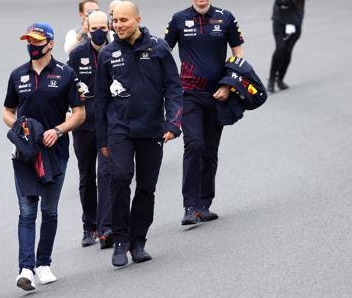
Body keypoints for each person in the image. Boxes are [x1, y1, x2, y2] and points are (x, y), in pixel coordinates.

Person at [95, 1, 183, 267]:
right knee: (120, 178)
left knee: (146, 187)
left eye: (124, 20)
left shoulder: (158, 48)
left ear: (137, 19)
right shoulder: (107, 54)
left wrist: (173, 124)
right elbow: (100, 99)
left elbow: (174, 90)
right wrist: (102, 139)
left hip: (151, 129)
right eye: (115, 20)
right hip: (119, 130)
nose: (118, 25)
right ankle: (120, 240)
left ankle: (138, 241)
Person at [3, 22, 85, 291]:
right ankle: (25, 269)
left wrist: (58, 131)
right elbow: (7, 111)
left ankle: (43, 264)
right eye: (29, 41)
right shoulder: (17, 75)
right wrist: (18, 128)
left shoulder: (66, 74)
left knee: (48, 210)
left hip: (55, 153)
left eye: (37, 42)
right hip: (25, 153)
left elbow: (80, 114)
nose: (32, 46)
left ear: (50, 43)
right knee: (27, 212)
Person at [164, 0, 244, 225]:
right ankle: (190, 206)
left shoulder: (226, 17)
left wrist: (228, 84)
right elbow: (164, 51)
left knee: (209, 150)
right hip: (189, 94)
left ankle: (204, 204)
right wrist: (168, 81)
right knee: (194, 144)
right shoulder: (178, 19)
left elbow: (237, 51)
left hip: (218, 94)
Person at [67, 10, 114, 249]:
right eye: (94, 28)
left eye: (103, 28)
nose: (98, 32)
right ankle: (90, 225)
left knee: (106, 173)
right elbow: (67, 86)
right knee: (87, 176)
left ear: (109, 28)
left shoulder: (114, 52)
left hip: (108, 125)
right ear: (86, 28)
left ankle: (106, 226)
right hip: (83, 126)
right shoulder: (77, 55)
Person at [267, 0, 306, 93]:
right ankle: (271, 79)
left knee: (287, 51)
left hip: (295, 20)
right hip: (280, 19)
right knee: (280, 48)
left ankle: (280, 79)